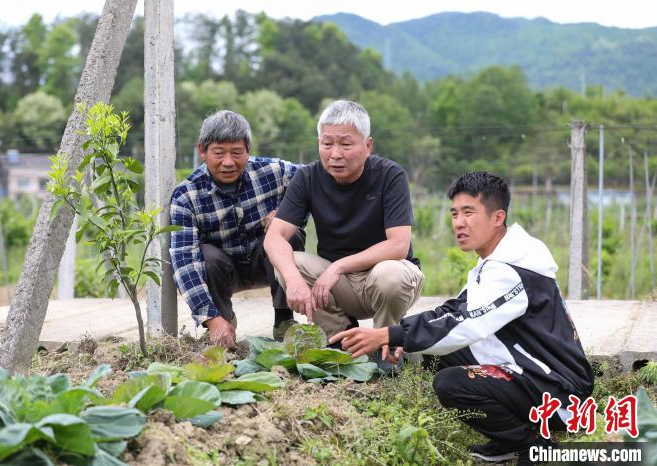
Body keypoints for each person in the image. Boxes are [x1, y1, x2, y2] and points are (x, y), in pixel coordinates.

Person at [330, 171, 594, 464]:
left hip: (560, 395)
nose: (459, 223)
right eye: (454, 213)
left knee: (451, 382)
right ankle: (508, 438)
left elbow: (467, 322)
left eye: (469, 213)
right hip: (534, 372)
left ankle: (534, 445)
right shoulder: (496, 260)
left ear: (497, 217)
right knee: (436, 352)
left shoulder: (511, 269)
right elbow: (454, 310)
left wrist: (388, 335)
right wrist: (401, 334)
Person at [264, 99, 424, 370]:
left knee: (389, 275)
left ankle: (387, 345)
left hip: (384, 277)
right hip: (340, 286)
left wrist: (338, 266)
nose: (335, 153)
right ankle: (341, 340)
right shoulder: (308, 177)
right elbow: (274, 237)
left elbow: (398, 245)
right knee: (291, 264)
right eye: (327, 144)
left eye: (346, 144)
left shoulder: (390, 175)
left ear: (367, 146)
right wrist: (293, 281)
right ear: (319, 144)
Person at [170, 110, 305, 349]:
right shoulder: (186, 195)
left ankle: (284, 321)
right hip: (223, 270)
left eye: (237, 152)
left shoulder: (274, 172)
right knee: (205, 255)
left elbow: (314, 182)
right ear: (202, 151)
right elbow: (184, 261)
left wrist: (287, 215)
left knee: (288, 233)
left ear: (248, 150)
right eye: (219, 153)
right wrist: (209, 318)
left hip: (265, 261)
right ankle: (223, 323)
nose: (229, 162)